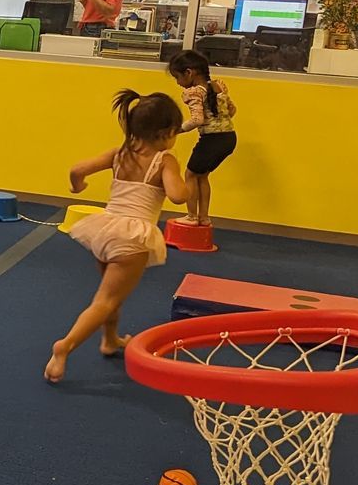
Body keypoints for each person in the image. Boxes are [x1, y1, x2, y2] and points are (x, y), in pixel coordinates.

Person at [45, 89, 189, 383]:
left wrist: (77, 187)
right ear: (165, 133)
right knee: (106, 300)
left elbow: (77, 169)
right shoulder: (165, 160)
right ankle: (64, 347)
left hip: (104, 229)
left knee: (113, 294)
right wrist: (188, 185)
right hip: (132, 237)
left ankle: (110, 339)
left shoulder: (120, 152)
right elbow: (176, 196)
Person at [167, 50, 238, 228]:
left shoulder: (194, 93)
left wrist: (175, 131)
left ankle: (192, 216)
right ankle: (204, 217)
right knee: (202, 176)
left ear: (189, 73)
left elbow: (197, 120)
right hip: (229, 137)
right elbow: (232, 111)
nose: (178, 83)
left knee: (190, 174)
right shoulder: (218, 86)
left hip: (212, 140)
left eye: (177, 77)